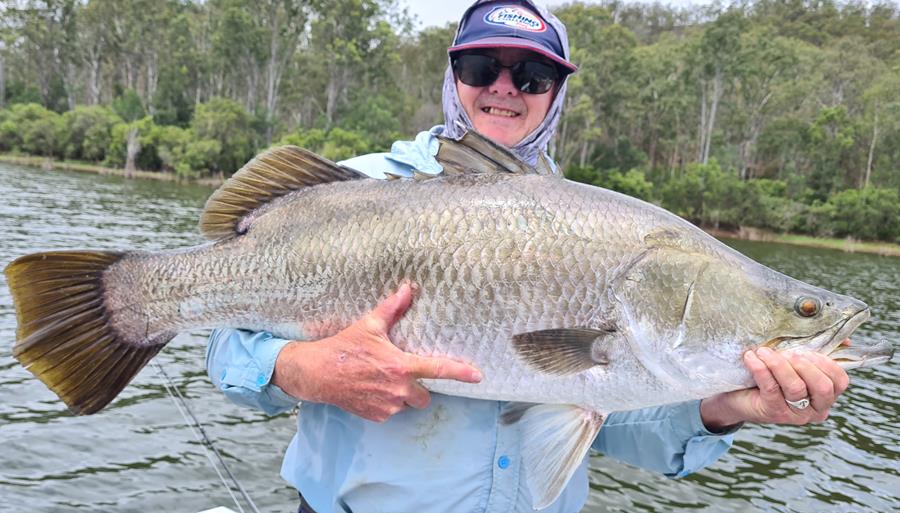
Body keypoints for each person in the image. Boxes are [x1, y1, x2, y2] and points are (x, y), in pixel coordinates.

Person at [206, 1, 851, 512]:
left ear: (556, 92)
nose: (505, 89)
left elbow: (625, 427)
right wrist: (299, 367)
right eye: (482, 69)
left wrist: (729, 406)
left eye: (533, 76)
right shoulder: (357, 190)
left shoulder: (601, 220)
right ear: (453, 77)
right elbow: (224, 352)